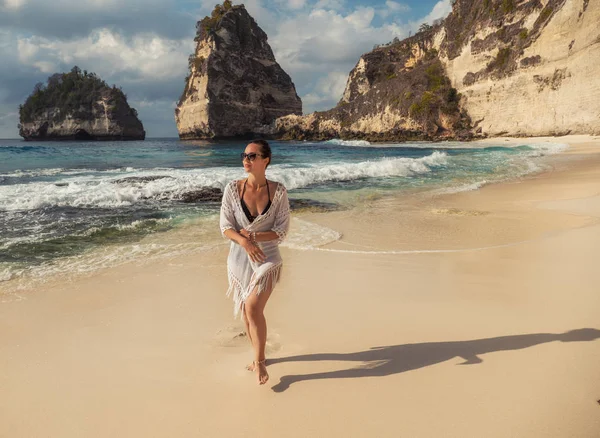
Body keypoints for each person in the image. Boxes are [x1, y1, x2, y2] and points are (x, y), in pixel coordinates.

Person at [219, 139, 291, 385]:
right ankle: (258, 355)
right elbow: (225, 227)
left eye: (252, 156)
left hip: (267, 258)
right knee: (245, 312)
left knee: (252, 308)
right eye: (244, 155)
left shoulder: (278, 191)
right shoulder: (232, 189)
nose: (246, 160)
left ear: (265, 160)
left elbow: (281, 231)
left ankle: (260, 363)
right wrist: (246, 242)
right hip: (240, 256)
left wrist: (256, 237)